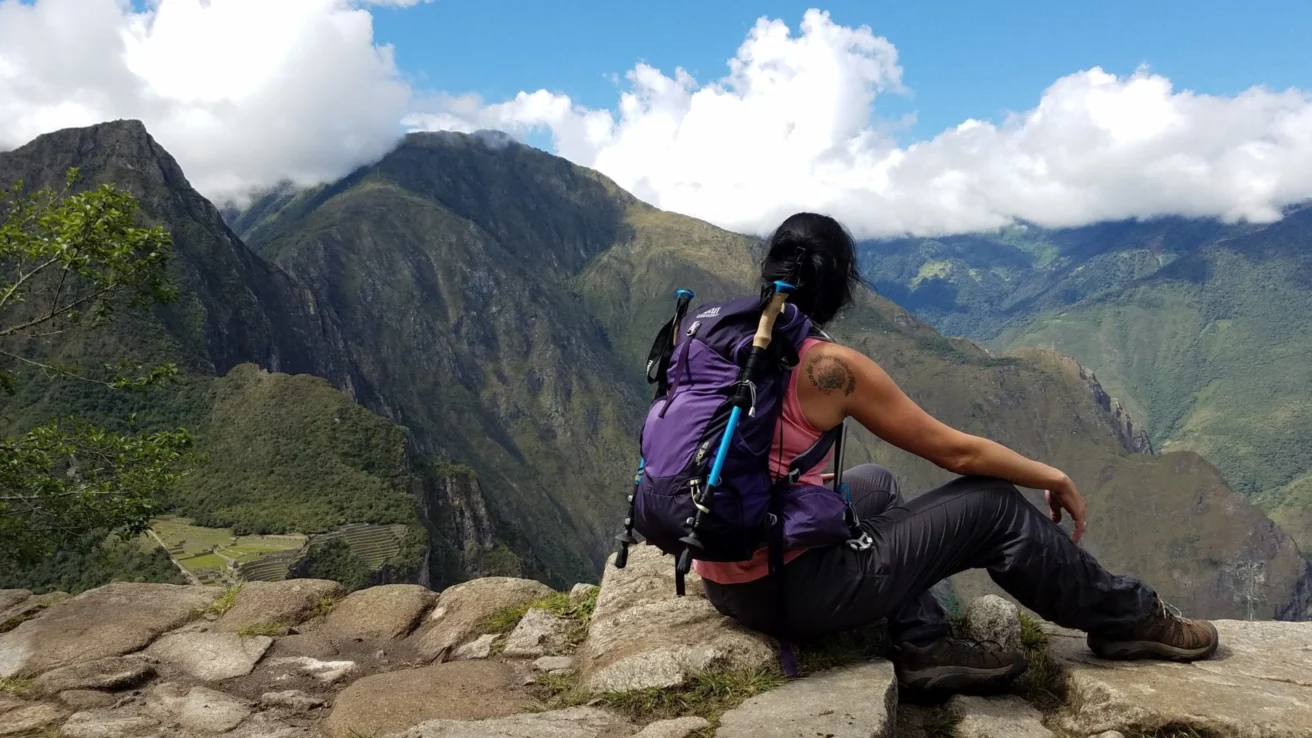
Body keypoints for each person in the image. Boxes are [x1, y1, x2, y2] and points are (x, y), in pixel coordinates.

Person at [693, 211, 1220, 692]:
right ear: (841, 284)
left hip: (724, 574)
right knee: (994, 506)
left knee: (874, 481)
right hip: (791, 589)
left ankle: (922, 642)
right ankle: (1129, 618)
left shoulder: (719, 336)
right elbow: (959, 455)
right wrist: (1052, 476)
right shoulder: (829, 367)